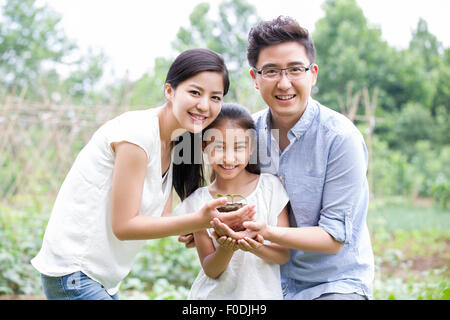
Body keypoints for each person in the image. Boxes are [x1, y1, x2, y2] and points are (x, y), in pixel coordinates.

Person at [30, 48, 256, 300]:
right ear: (169, 91)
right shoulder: (137, 135)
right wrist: (198, 221)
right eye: (195, 92)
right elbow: (124, 226)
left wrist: (202, 228)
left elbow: (161, 216)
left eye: (216, 97)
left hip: (103, 279)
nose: (204, 105)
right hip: (74, 272)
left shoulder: (177, 142)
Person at [185, 16, 375, 300]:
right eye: (271, 71)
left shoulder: (340, 138)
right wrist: (207, 228)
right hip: (264, 283)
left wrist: (265, 231)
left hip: (333, 285)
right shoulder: (246, 135)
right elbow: (226, 192)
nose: (284, 83)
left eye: (295, 69)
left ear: (312, 73)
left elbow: (333, 239)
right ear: (255, 79)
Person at [174, 103, 290, 299]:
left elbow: (283, 255)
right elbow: (211, 270)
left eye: (239, 147)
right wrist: (227, 248)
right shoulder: (198, 202)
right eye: (218, 147)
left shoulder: (270, 188)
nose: (229, 158)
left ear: (252, 146)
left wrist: (253, 245)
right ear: (204, 146)